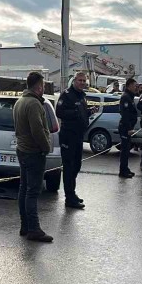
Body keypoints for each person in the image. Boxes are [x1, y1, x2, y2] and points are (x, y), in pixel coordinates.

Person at [13, 72, 54, 242]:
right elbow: (37, 130)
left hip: (22, 150)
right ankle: (34, 229)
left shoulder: (20, 101)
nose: (43, 88)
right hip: (33, 152)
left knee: (24, 188)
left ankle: (25, 225)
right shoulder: (34, 104)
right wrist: (46, 148)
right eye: (42, 86)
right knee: (32, 192)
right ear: (39, 87)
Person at [56, 72, 93, 209]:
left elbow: (81, 113)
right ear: (74, 81)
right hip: (68, 136)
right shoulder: (67, 95)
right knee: (69, 167)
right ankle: (69, 198)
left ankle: (72, 192)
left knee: (77, 166)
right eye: (80, 80)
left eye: (84, 81)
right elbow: (59, 112)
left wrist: (89, 112)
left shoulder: (82, 95)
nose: (82, 83)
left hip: (78, 136)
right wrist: (75, 113)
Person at [118, 78, 139, 178]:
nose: (136, 88)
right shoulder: (126, 97)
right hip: (125, 128)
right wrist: (129, 128)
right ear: (129, 86)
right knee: (125, 151)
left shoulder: (129, 96)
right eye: (135, 86)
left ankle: (125, 168)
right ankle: (123, 171)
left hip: (128, 127)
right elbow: (125, 114)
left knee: (127, 150)